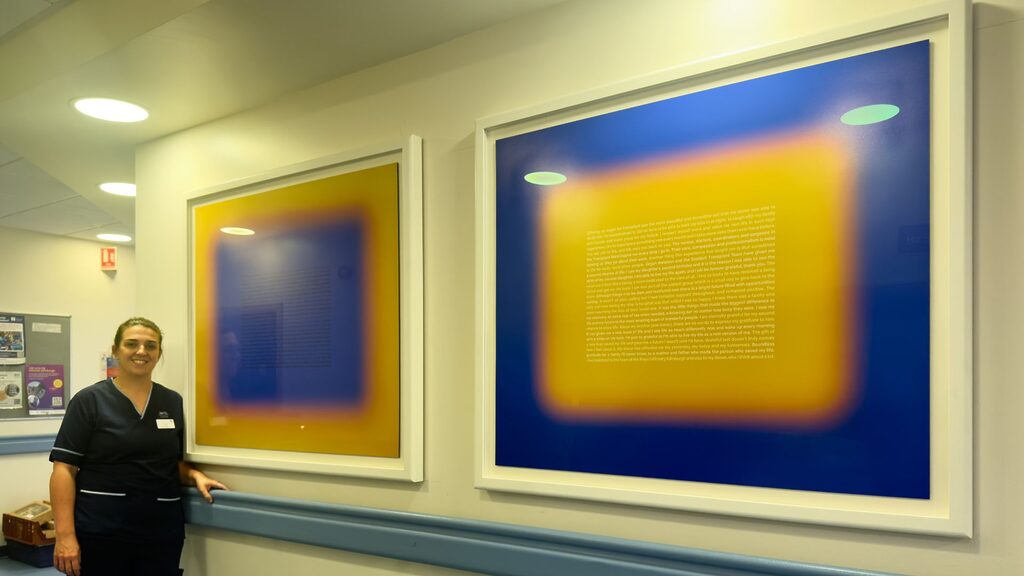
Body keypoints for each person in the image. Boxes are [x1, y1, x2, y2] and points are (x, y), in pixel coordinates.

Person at [48, 317, 227, 576]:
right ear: (115, 351)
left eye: (150, 346)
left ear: (159, 353)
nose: (142, 351)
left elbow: (169, 463)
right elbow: (64, 469)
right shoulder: (89, 401)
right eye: (132, 344)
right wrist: (65, 537)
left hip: (160, 532)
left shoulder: (172, 401)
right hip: (102, 532)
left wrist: (195, 475)